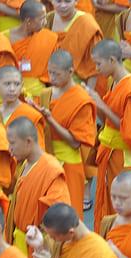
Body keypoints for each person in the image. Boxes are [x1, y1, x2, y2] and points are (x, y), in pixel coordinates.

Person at [89, 39, 131, 225]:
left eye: (98, 63)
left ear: (112, 60)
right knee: (108, 202)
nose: (96, 68)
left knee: (121, 203)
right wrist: (97, 104)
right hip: (110, 152)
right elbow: (109, 119)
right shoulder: (114, 82)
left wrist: (101, 104)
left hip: (124, 156)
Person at [40, 49, 97, 206]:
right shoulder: (46, 94)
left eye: (56, 74)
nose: (51, 78)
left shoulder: (81, 100)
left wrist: (51, 121)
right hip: (47, 161)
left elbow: (75, 143)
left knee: (70, 215)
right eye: (50, 72)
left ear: (71, 71)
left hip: (69, 164)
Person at [6, 116, 70, 253]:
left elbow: (58, 213)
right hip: (19, 240)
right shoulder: (25, 163)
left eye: (12, 143)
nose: (9, 149)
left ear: (28, 141)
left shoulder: (51, 169)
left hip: (36, 245)